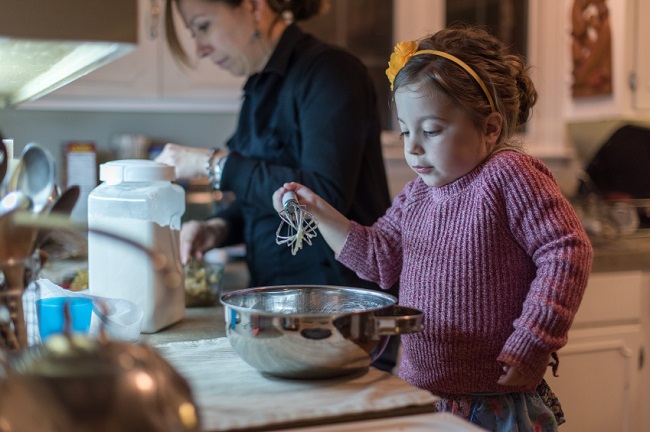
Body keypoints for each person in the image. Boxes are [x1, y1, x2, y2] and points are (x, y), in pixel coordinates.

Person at [272, 26, 593, 431]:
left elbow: (567, 251)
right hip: (423, 394)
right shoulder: (416, 195)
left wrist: (534, 339)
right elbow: (378, 258)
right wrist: (316, 210)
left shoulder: (508, 174)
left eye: (432, 130)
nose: (413, 147)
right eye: (406, 131)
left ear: (490, 128)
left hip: (491, 402)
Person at [155, 0, 399, 370]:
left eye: (203, 27)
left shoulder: (331, 72)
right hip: (284, 316)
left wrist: (212, 164)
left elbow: (321, 195)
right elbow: (271, 200)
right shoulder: (258, 89)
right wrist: (218, 227)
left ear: (253, 8)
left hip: (341, 320)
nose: (200, 49)